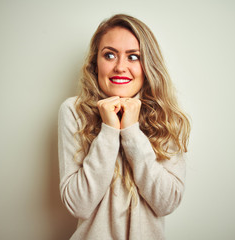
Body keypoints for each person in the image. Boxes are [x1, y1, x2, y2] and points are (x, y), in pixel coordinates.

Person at [58, 14, 190, 239]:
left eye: (133, 57)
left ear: (148, 64)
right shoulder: (74, 111)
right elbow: (78, 204)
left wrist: (131, 131)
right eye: (109, 55)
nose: (120, 67)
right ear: (95, 62)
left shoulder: (168, 117)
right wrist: (109, 130)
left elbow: (166, 202)